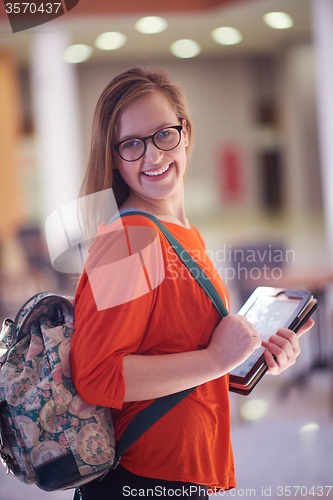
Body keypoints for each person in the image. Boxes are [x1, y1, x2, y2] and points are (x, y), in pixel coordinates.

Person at [70, 67, 313, 499]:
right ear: (112, 156)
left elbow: (178, 350)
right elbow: (97, 377)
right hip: (141, 477)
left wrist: (250, 356)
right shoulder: (132, 239)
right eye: (131, 144)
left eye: (164, 134)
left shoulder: (182, 231)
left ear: (186, 132)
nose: (153, 157)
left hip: (180, 469)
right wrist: (217, 359)